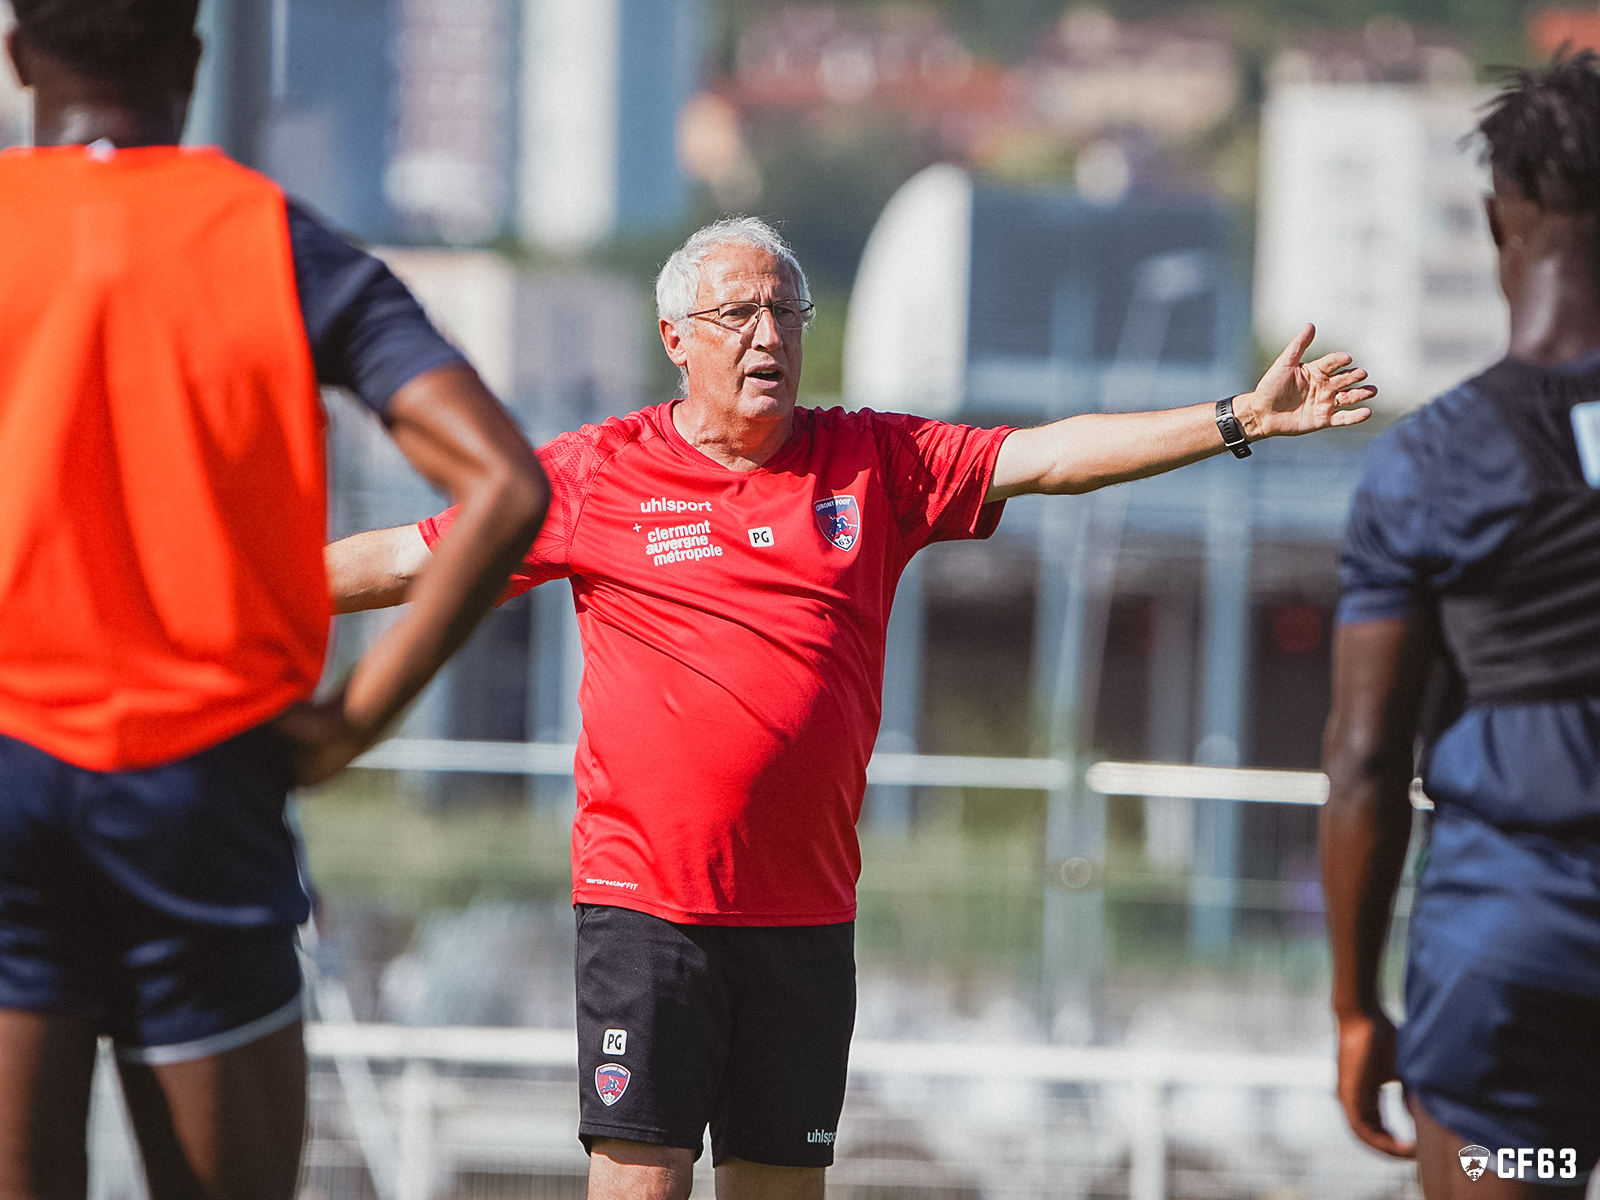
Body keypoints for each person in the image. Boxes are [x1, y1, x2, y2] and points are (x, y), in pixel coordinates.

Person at [330, 215, 1374, 1200]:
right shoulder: (599, 476)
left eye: (786, 311)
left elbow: (1049, 456)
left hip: (805, 918)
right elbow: (405, 559)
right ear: (675, 339)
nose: (768, 335)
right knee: (640, 1182)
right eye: (737, 315)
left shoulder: (875, 461)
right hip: (651, 912)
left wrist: (1239, 417)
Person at [0, 2, 549, 1197]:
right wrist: (354, 720)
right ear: (190, 65)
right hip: (201, 782)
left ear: (14, 55)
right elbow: (505, 486)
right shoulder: (273, 241)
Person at [1322, 54, 1600, 1200]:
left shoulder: (1427, 464)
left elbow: (1362, 761)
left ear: (1497, 219)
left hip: (1509, 964)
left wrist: (1353, 1005)